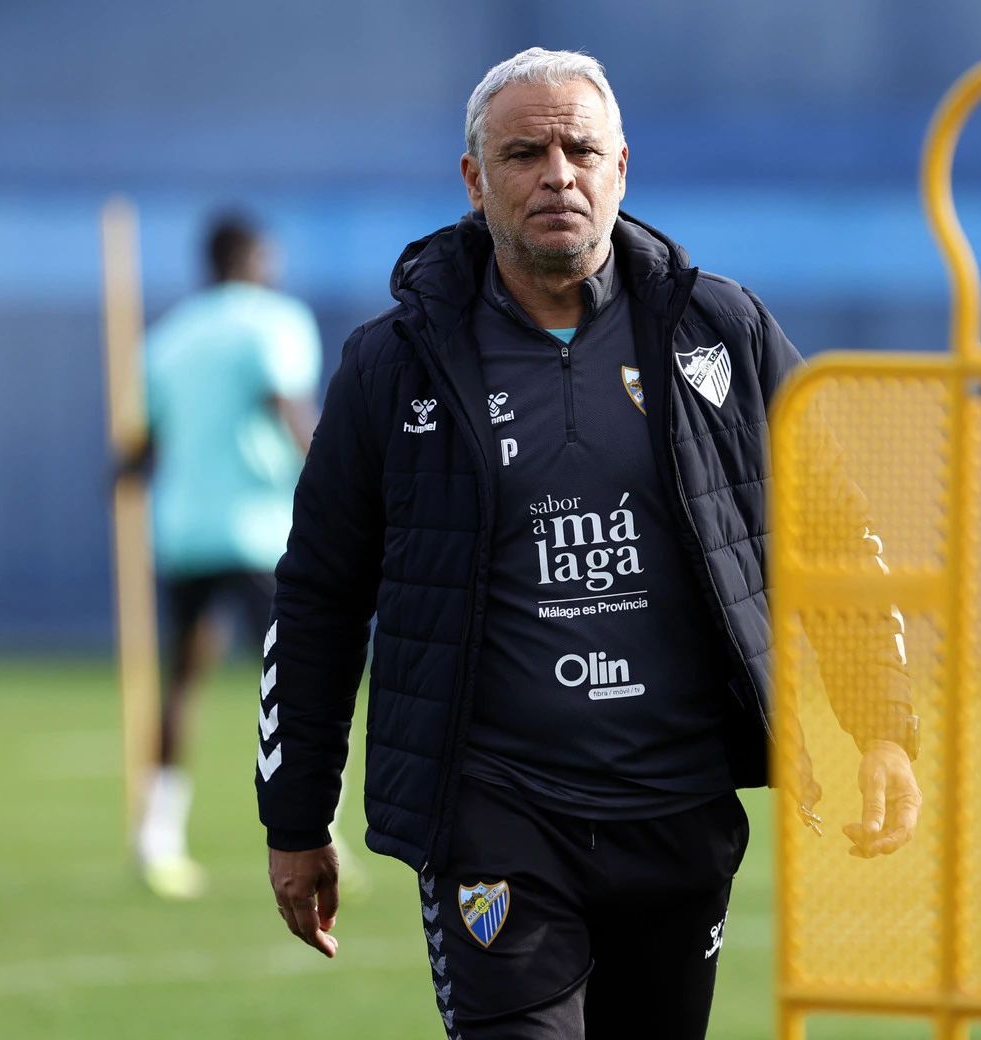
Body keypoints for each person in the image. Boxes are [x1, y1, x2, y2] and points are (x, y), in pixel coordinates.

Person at [256, 48, 921, 1038]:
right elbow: (317, 595)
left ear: (620, 164)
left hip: (679, 807)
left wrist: (881, 722)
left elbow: (832, 537)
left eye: (578, 148)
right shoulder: (392, 366)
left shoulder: (720, 332)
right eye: (523, 153)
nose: (555, 174)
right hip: (495, 811)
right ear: (475, 179)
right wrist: (295, 814)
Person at [132, 213, 320, 899]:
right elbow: (287, 406)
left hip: (183, 530)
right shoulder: (272, 321)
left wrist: (122, 472)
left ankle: (156, 836)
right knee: (296, 686)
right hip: (257, 531)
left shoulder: (168, 336)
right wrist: (338, 477)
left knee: (182, 680)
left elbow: (143, 446)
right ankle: (312, 831)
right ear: (251, 258)